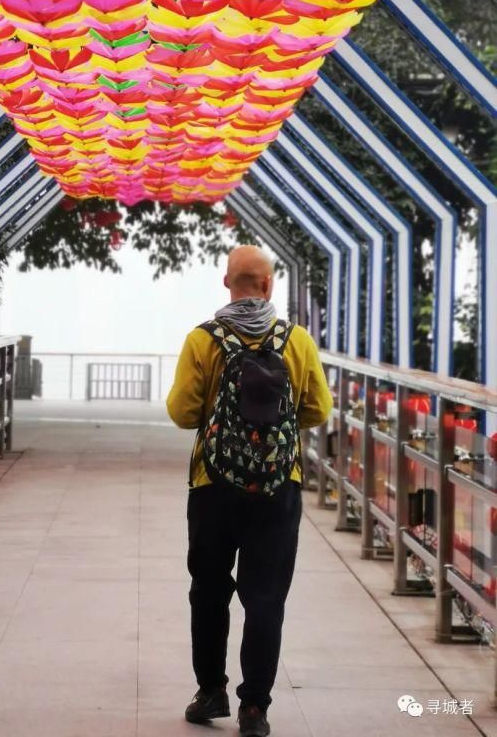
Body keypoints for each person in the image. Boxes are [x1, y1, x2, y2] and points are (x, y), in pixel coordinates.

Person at [166, 245, 333, 737]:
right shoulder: (296, 341)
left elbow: (181, 412)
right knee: (265, 598)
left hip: (213, 484)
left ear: (227, 284)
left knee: (210, 591)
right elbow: (318, 409)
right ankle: (255, 707)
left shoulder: (203, 339)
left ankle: (211, 690)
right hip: (280, 487)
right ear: (268, 285)